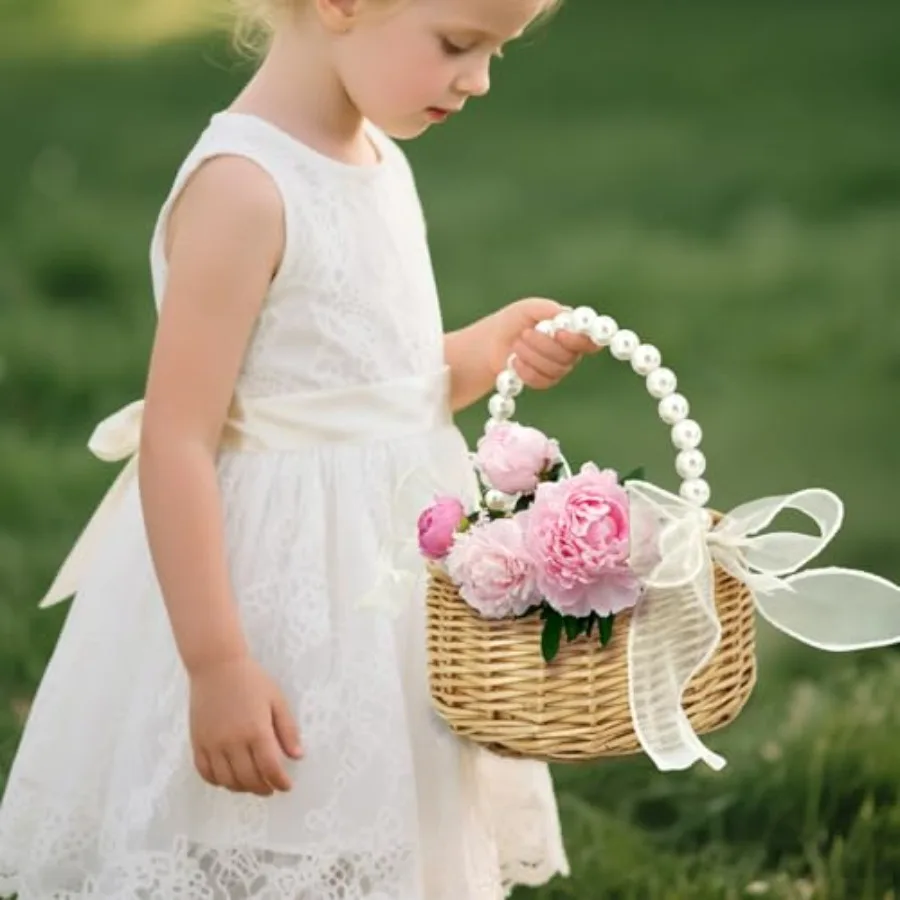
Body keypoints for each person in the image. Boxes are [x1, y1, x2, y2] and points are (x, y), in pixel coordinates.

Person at [0, 0, 598, 896]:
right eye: (458, 45)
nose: (477, 80)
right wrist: (217, 665)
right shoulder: (244, 187)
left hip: (382, 590)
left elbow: (370, 389)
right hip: (270, 595)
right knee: (260, 825)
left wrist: (491, 346)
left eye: (494, 54)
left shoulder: (380, 157)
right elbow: (177, 439)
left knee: (373, 822)